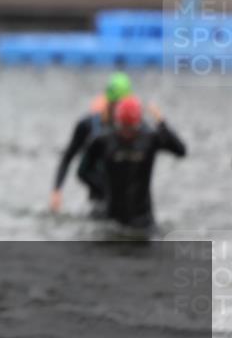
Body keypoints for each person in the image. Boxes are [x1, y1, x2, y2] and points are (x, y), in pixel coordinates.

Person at [84, 95, 186, 232]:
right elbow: (83, 171)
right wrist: (102, 189)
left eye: (131, 128)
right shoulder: (104, 140)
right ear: (117, 122)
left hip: (142, 219)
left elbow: (180, 151)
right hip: (113, 220)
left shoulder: (149, 139)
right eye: (123, 127)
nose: (127, 133)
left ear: (138, 123)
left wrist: (161, 122)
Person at [50, 71, 133, 213]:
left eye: (124, 106)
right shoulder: (88, 125)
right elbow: (69, 158)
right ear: (109, 102)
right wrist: (57, 190)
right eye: (117, 105)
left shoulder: (132, 128)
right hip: (98, 195)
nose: (120, 111)